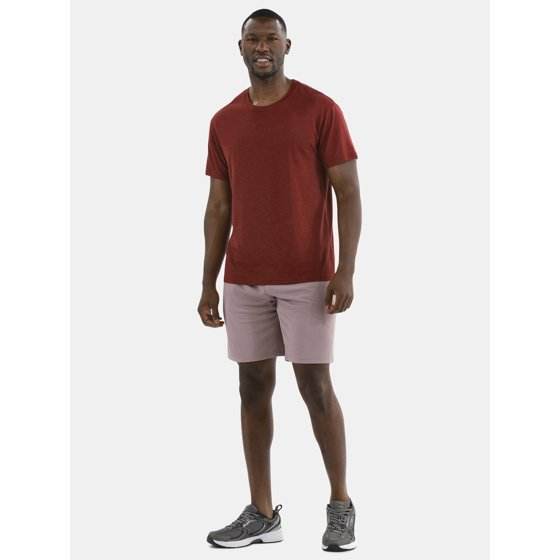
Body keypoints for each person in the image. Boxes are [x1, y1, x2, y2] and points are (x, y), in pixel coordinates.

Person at [198, 8, 362, 551]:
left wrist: (345, 269)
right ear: (240, 47)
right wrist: (208, 282)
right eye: (253, 39)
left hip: (308, 278)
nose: (262, 46)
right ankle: (263, 513)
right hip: (244, 280)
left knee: (315, 388)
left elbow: (348, 192)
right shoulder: (224, 120)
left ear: (288, 46)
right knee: (251, 389)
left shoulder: (320, 109)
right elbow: (218, 206)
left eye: (271, 38)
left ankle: (340, 505)